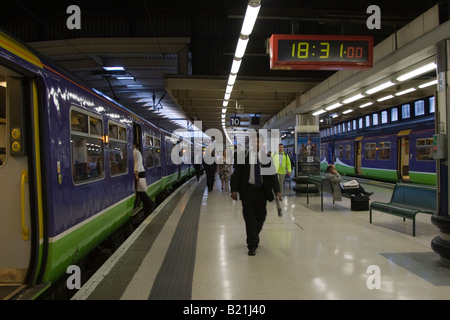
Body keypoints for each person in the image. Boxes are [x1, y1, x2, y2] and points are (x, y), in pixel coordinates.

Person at [230, 134, 282, 256]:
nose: (256, 143)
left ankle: (254, 234)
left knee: (261, 216)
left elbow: (273, 176)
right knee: (250, 219)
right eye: (254, 141)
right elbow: (236, 174)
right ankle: (252, 245)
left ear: (262, 143)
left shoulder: (266, 158)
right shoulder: (243, 157)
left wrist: (277, 191)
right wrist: (234, 190)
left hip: (261, 192)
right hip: (248, 190)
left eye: (258, 141)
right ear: (251, 143)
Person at [133, 143, 155, 215]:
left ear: (134, 145)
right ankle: (145, 205)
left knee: (141, 191)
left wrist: (136, 173)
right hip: (139, 172)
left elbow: (138, 163)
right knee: (139, 191)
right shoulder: (134, 152)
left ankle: (150, 204)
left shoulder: (136, 152)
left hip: (140, 172)